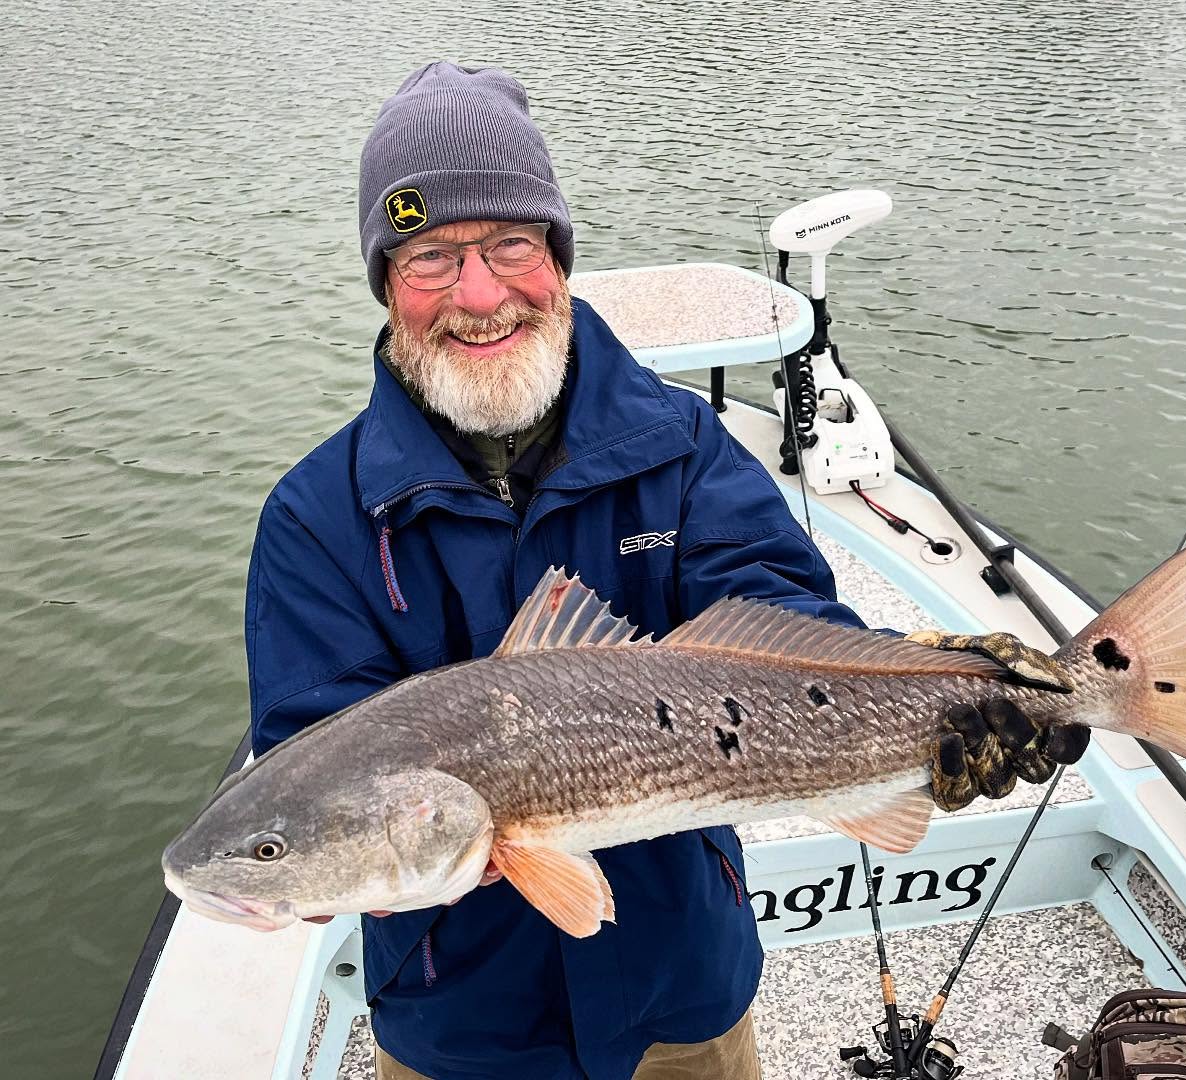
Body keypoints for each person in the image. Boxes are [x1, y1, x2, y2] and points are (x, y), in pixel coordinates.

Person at [244, 62, 1088, 1080]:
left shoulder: (682, 446)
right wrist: (313, 867)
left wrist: (931, 686)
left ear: (556, 256)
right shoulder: (314, 518)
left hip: (684, 990)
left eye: (511, 244)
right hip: (456, 1030)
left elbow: (778, 613)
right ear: (385, 280)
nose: (480, 294)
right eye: (430, 257)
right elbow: (313, 760)